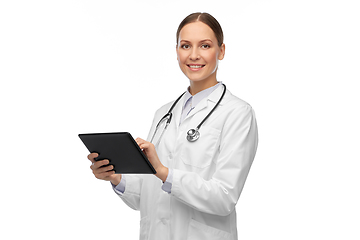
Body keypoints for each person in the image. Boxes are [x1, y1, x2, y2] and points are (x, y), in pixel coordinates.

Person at [88, 12, 258, 240]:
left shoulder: (238, 113)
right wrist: (115, 177)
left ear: (221, 51)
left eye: (205, 45)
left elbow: (224, 197)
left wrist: (164, 173)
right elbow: (147, 197)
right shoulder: (164, 114)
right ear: (176, 51)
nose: (194, 55)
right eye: (186, 46)